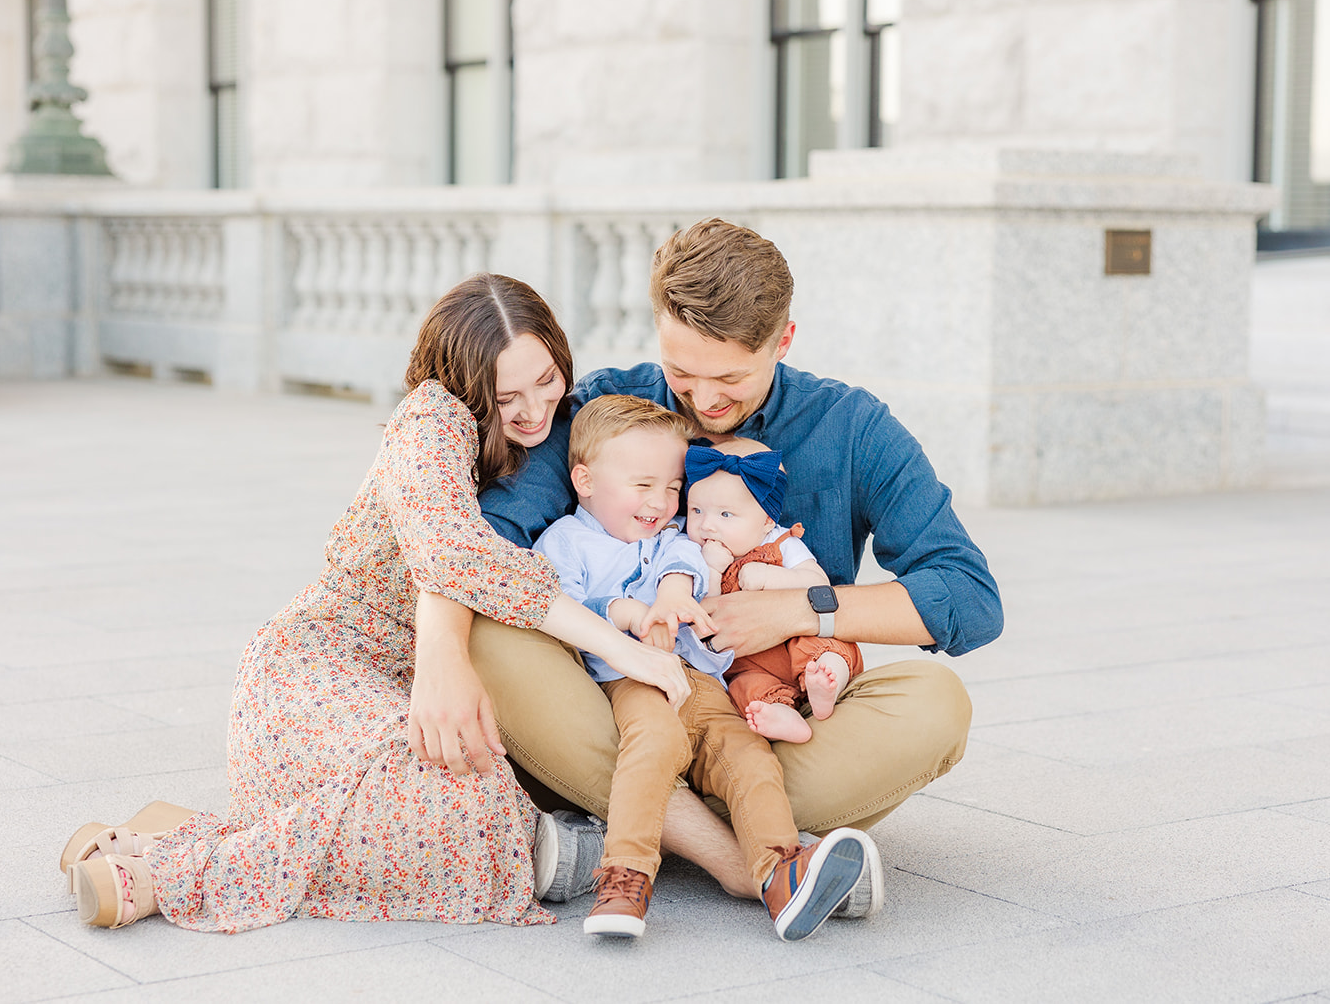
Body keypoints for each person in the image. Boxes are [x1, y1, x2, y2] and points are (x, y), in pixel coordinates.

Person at [58, 274, 693, 931]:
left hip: (399, 695)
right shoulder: (432, 420)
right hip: (319, 667)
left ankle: (170, 835)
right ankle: (170, 871)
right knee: (472, 810)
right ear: (469, 387)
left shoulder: (564, 428)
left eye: (547, 379)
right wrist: (622, 649)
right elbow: (458, 556)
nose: (535, 408)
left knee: (470, 788)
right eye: (508, 396)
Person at [468, 218, 1004, 908]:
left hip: (767, 727)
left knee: (938, 703)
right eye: (681, 372)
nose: (704, 398)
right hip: (616, 713)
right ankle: (746, 855)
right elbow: (480, 550)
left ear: (783, 339)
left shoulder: (853, 428)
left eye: (730, 377)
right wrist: (448, 662)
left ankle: (623, 828)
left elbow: (969, 596)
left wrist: (798, 607)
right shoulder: (604, 405)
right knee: (490, 635)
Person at [533, 394, 874, 941]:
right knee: (655, 744)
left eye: (672, 489)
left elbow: (684, 567)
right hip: (634, 678)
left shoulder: (677, 541)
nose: (661, 503)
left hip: (703, 684)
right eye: (643, 486)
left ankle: (781, 871)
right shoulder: (566, 543)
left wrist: (675, 589)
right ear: (585, 480)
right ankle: (625, 877)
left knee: (748, 756)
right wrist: (623, 611)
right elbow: (555, 609)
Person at [685, 438, 865, 744]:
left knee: (829, 643)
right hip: (748, 660)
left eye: (725, 515)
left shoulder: (783, 542)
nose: (707, 526)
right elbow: (703, 613)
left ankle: (827, 680)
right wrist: (712, 570)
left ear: (767, 521)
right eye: (697, 510)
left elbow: (817, 584)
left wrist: (770, 576)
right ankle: (779, 712)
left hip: (794, 638)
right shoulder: (692, 553)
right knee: (744, 686)